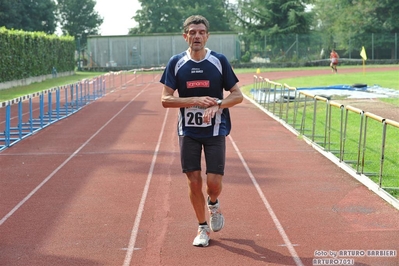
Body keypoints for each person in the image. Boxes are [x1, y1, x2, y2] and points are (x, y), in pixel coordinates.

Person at [160, 15, 243, 247]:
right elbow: (165, 99)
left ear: (207, 36)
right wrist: (194, 100)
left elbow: (238, 96)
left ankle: (213, 204)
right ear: (185, 35)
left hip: (215, 129)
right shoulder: (176, 62)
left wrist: (217, 104)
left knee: (213, 184)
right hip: (188, 131)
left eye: (201, 32)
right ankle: (202, 227)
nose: (197, 36)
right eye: (192, 32)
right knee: (193, 181)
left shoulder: (219, 61)